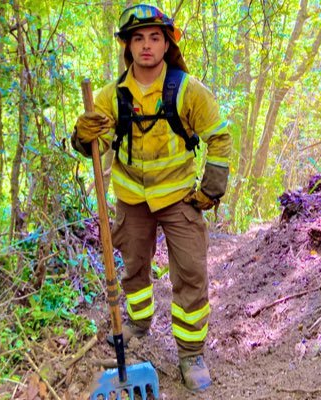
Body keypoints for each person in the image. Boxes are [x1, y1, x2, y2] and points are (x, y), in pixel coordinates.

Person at [72, 3, 231, 392]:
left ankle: (191, 353)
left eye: (154, 38)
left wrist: (211, 188)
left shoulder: (188, 91)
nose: (146, 46)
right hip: (131, 197)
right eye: (137, 38)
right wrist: (82, 136)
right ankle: (137, 322)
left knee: (191, 272)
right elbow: (98, 143)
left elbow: (219, 137)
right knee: (134, 269)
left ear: (166, 44)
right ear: (127, 46)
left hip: (179, 197)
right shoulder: (111, 96)